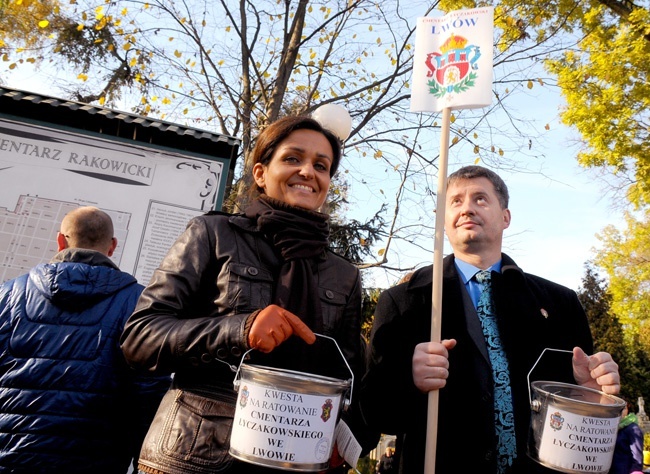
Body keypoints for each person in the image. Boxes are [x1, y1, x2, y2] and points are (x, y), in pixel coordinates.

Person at [120, 115, 374, 474]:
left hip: (298, 459)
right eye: (292, 158)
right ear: (260, 173)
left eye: (321, 165)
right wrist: (239, 330)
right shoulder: (213, 234)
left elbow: (347, 375)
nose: (307, 171)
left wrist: (345, 432)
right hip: (197, 455)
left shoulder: (343, 274)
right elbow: (140, 337)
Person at [359, 165, 621, 474]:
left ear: (506, 217)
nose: (467, 208)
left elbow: (580, 426)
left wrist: (588, 394)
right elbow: (374, 413)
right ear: (444, 221)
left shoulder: (559, 304)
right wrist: (408, 379)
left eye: (480, 199)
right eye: (455, 201)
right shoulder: (404, 301)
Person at [0, 206, 170, 473]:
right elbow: (149, 392)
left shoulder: (8, 295)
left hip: (11, 457)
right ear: (112, 246)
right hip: (97, 460)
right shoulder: (139, 304)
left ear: (59, 241)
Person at [610, 398, 644, 474]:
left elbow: (637, 458)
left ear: (628, 410)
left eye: (624, 408)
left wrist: (636, 471)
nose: (621, 411)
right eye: (618, 407)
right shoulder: (612, 427)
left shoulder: (633, 429)